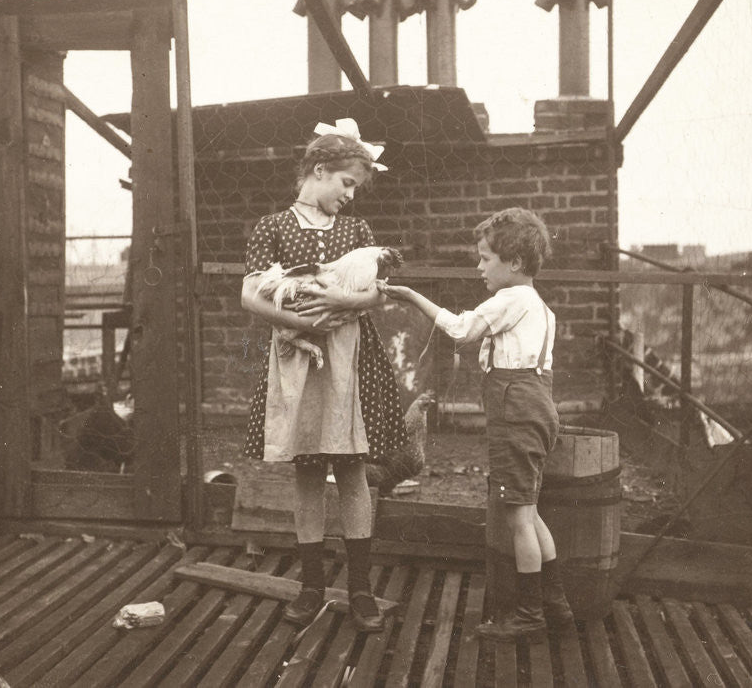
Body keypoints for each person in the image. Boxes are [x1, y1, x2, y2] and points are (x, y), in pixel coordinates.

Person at [379, 207, 575, 642]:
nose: (479, 267)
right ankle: (555, 606)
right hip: (537, 405)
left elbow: (461, 331)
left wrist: (411, 297)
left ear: (515, 263)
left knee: (518, 516)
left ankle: (529, 615)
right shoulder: (539, 306)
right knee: (529, 510)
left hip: (516, 411)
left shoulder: (512, 298)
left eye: (486, 258)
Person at [241, 118, 407, 632]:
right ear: (319, 171)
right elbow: (249, 294)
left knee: (353, 471)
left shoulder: (356, 232)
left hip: (350, 358)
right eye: (346, 184)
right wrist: (297, 323)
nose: (350, 196)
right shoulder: (271, 226)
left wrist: (342, 299)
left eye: (355, 187)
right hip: (298, 357)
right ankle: (311, 586)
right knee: (309, 471)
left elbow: (379, 292)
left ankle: (360, 590)